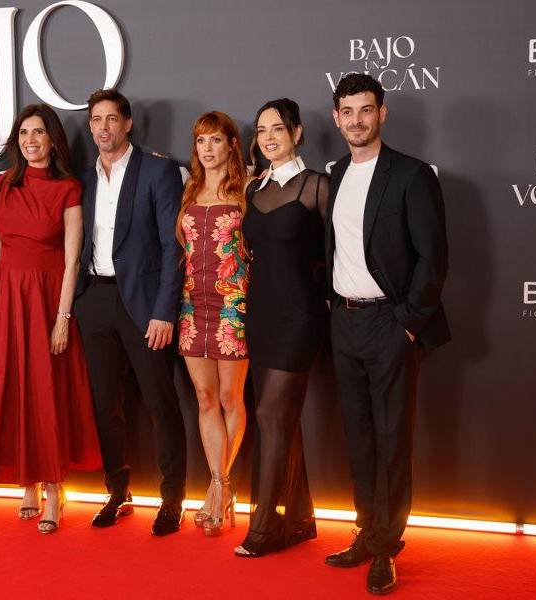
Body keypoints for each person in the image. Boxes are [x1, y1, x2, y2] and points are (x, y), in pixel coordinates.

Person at [323, 73, 450, 595]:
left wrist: (408, 324)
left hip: (389, 324)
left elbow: (433, 258)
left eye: (366, 110)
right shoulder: (334, 174)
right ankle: (366, 531)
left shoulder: (412, 175)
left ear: (382, 113)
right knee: (358, 438)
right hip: (344, 321)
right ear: (337, 118)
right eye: (348, 111)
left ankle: (386, 549)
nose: (357, 120)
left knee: (392, 438)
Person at [0, 104, 102, 534]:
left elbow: (72, 258)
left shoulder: (68, 188)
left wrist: (62, 316)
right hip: (9, 296)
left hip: (47, 297)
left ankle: (55, 489)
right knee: (17, 387)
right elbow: (0, 242)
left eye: (38, 132)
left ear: (52, 139)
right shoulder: (2, 185)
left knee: (47, 389)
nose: (30, 140)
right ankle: (28, 485)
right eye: (24, 133)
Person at [75, 88, 187, 536]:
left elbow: (173, 246)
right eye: (96, 120)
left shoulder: (158, 171)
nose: (103, 128)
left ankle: (173, 498)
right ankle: (118, 492)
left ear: (127, 124)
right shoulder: (84, 180)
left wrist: (164, 311)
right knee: (106, 405)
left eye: (111, 119)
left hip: (144, 303)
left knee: (160, 402)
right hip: (95, 299)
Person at [235, 98, 329, 557]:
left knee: (271, 415)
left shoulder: (317, 186)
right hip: (261, 315)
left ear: (297, 132)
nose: (268, 137)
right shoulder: (254, 189)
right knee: (279, 417)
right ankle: (299, 519)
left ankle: (264, 528)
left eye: (277, 128)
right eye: (261, 130)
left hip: (300, 316)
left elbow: (338, 253)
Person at [176, 111, 250, 536]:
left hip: (233, 306)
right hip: (193, 308)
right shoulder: (188, 191)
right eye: (201, 140)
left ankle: (218, 489)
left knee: (229, 396)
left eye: (216, 140)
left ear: (231, 145)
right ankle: (220, 487)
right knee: (205, 398)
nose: (207, 148)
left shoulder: (247, 191)